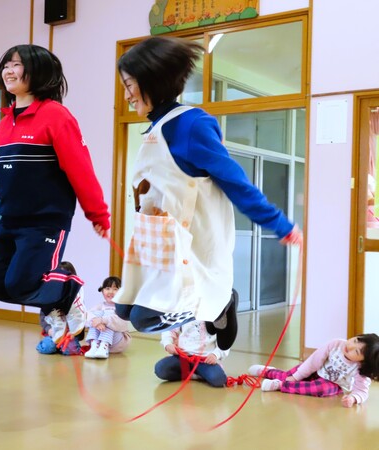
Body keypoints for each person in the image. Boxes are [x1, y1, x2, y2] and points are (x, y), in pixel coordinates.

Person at [113, 36, 303, 350]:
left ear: (152, 81)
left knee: (144, 319)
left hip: (190, 244)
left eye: (130, 85)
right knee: (123, 309)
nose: (126, 95)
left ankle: (222, 302)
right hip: (155, 239)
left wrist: (278, 224)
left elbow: (235, 181)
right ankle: (214, 304)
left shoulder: (190, 125)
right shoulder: (155, 127)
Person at [0, 44, 110, 344]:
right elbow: (4, 176)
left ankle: (68, 291)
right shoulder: (4, 124)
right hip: (9, 221)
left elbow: (80, 169)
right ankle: (59, 301)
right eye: (6, 65)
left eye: (17, 65)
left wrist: (97, 214)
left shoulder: (56, 116)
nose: (9, 71)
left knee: (21, 284)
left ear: (38, 72)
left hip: (44, 222)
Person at [249, 333, 379, 407]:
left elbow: (362, 391)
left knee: (322, 388)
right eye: (355, 340)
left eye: (356, 351)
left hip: (333, 384)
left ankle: (280, 385)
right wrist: (296, 377)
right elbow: (313, 361)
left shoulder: (360, 368)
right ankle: (268, 372)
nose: (350, 346)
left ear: (363, 361)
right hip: (316, 370)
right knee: (294, 373)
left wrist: (354, 398)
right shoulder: (336, 344)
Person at [154, 320, 229, 387]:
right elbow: (170, 328)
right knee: (160, 369)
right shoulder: (184, 310)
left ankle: (194, 373)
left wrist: (215, 355)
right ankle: (195, 374)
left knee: (218, 379)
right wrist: (168, 344)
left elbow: (226, 340)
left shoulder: (216, 314)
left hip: (205, 360)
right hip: (182, 356)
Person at [36, 261, 86, 355]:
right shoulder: (50, 296)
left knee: (70, 350)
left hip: (68, 335)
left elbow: (80, 317)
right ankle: (53, 345)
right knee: (47, 347)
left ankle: (63, 346)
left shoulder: (75, 297)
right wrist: (49, 329)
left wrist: (73, 333)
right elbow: (43, 317)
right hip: (54, 332)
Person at [84, 276, 132, 359]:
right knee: (94, 315)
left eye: (115, 289)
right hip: (99, 340)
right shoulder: (100, 305)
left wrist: (103, 320)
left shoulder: (122, 307)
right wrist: (97, 323)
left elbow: (122, 324)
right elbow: (86, 317)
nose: (111, 292)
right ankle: (94, 346)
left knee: (108, 316)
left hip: (117, 342)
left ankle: (104, 346)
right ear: (102, 291)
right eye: (107, 288)